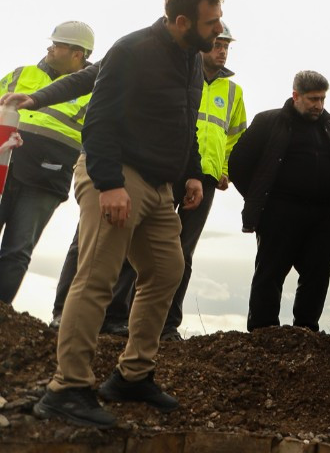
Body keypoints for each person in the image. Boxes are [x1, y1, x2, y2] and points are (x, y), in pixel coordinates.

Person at [34, 0, 224, 428]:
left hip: (160, 186)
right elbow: (98, 119)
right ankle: (67, 387)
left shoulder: (191, 61)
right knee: (98, 275)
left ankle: (132, 375)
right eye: (211, 21)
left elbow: (184, 121)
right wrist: (108, 183)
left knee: (166, 272)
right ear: (182, 22)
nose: (218, 29)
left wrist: (192, 171)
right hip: (117, 174)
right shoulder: (133, 50)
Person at [39, 25, 246, 342]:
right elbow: (94, 93)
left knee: (170, 256)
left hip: (194, 172)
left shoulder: (227, 89)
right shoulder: (145, 54)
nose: (220, 49)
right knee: (102, 244)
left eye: (225, 45)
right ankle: (69, 321)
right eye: (215, 42)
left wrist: (216, 168)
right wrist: (39, 98)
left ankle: (138, 325)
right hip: (136, 164)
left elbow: (225, 132)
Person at [231, 70, 330, 332]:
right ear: (296, 96)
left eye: (322, 99)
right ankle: (263, 330)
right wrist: (259, 198)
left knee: (318, 272)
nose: (318, 105)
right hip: (279, 211)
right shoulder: (269, 121)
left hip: (323, 215)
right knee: (270, 272)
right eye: (313, 99)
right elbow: (238, 163)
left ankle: (306, 329)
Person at [0, 21, 94, 304]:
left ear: (77, 54)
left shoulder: (94, 91)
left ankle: (1, 315)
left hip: (46, 177)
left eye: (57, 45)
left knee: (17, 250)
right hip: (5, 166)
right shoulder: (21, 74)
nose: (49, 48)